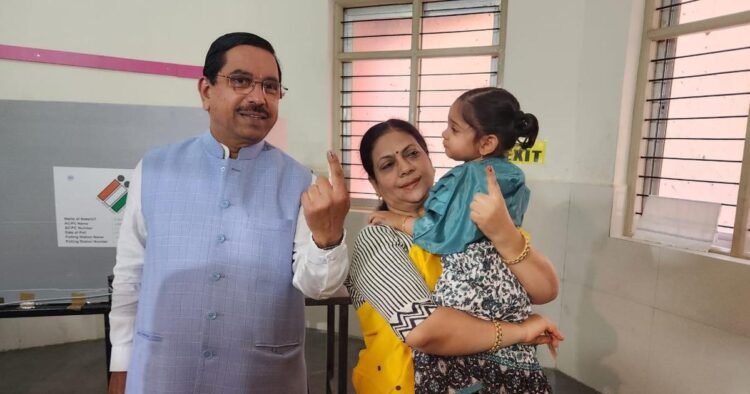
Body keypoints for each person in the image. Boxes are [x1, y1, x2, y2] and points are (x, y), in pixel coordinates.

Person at [107, 32, 350, 394]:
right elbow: (130, 274)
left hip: (261, 377)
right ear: (206, 92)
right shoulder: (155, 168)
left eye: (270, 86)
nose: (258, 97)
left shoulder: (301, 182)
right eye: (240, 81)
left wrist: (328, 237)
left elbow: (320, 286)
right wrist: (121, 366)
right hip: (163, 372)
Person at [347, 118, 561, 393]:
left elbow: (544, 290)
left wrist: (505, 234)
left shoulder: (475, 224)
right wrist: (520, 332)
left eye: (413, 153)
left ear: (429, 160)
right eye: (388, 165)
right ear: (375, 184)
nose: (405, 167)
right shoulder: (378, 239)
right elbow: (424, 330)